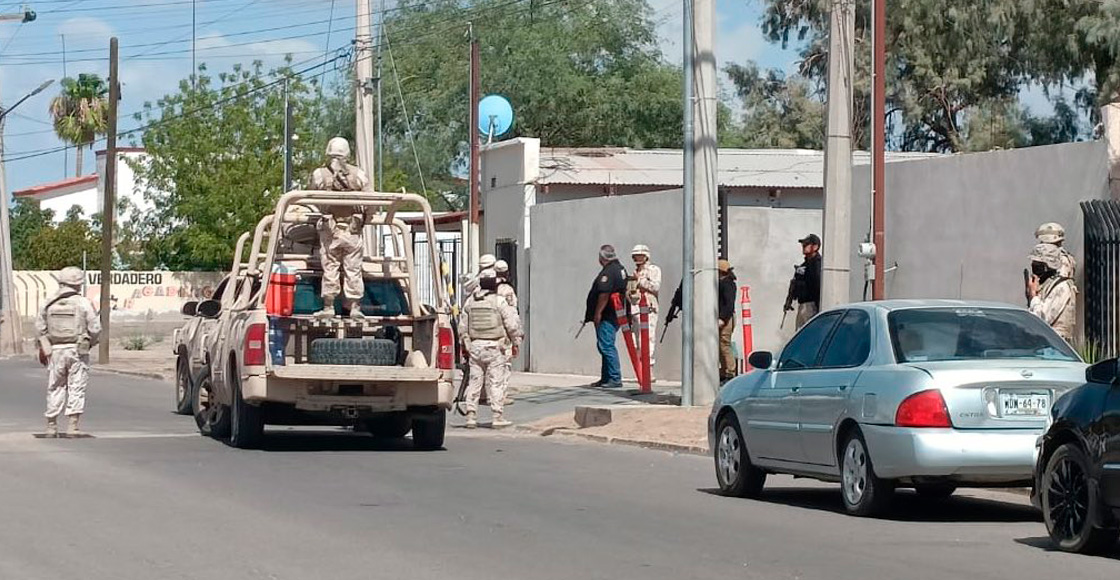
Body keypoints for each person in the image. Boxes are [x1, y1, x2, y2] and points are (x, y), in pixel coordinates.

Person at [309, 137, 371, 320]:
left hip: (331, 230)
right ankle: (354, 307)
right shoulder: (359, 175)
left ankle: (329, 307)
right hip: (352, 230)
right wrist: (361, 219)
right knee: (353, 268)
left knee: (330, 267)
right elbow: (372, 200)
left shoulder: (319, 175)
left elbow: (311, 196)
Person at [35, 267, 101, 438]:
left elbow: (39, 328)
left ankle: (51, 426)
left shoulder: (48, 302)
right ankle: (72, 426)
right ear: (78, 284)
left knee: (55, 386)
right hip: (77, 351)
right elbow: (95, 328)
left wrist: (44, 347)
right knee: (76, 387)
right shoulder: (83, 302)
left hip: (55, 351)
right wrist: (89, 343)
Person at [459, 269, 522, 428]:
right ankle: (497, 416)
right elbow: (512, 325)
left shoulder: (470, 302)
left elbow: (463, 328)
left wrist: (465, 345)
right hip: (495, 348)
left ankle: (471, 416)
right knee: (496, 383)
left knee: (475, 382)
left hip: (476, 348)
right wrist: (516, 342)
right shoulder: (499, 301)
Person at [585, 245, 628, 389]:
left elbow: (604, 294)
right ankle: (606, 378)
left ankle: (614, 378)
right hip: (614, 314)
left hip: (608, 315)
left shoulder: (609, 272)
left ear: (602, 258)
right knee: (604, 345)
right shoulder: (620, 268)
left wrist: (598, 313)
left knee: (607, 346)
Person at [1027, 243, 1076, 342]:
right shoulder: (1046, 284)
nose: (1034, 268)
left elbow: (1041, 320)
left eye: (1038, 265)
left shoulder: (1061, 287)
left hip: (1056, 344)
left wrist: (1033, 296)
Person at [627, 244, 662, 380]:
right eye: (635, 256)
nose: (637, 258)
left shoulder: (653, 270)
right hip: (635, 310)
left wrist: (639, 280)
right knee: (637, 342)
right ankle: (641, 370)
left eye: (640, 255)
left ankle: (649, 369)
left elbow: (655, 286)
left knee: (648, 339)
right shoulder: (634, 272)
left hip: (648, 308)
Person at [785, 234, 822, 328]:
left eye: (806, 244)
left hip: (812, 305)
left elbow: (818, 286)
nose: (803, 246)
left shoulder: (817, 264)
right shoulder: (804, 265)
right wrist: (789, 300)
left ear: (815, 247)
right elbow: (795, 283)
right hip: (803, 305)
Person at [718, 260, 738, 382]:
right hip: (725, 317)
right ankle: (724, 371)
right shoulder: (725, 283)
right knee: (721, 345)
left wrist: (722, 318)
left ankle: (730, 371)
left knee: (724, 344)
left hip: (726, 318)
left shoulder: (727, 284)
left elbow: (729, 304)